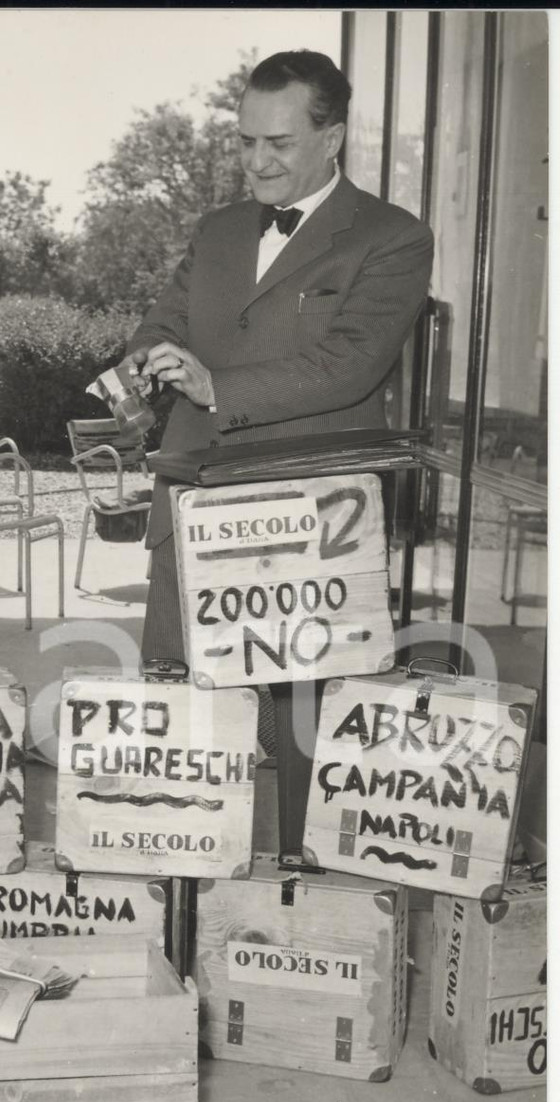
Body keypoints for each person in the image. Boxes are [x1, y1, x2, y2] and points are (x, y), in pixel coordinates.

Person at [124, 49, 434, 850]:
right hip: (191, 504)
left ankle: (300, 881)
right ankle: (179, 884)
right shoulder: (217, 230)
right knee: (178, 727)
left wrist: (213, 385)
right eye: (245, 141)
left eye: (279, 143)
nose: (256, 161)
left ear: (332, 138)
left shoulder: (394, 238)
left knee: (304, 737)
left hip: (308, 526)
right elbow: (162, 321)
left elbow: (350, 364)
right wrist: (147, 360)